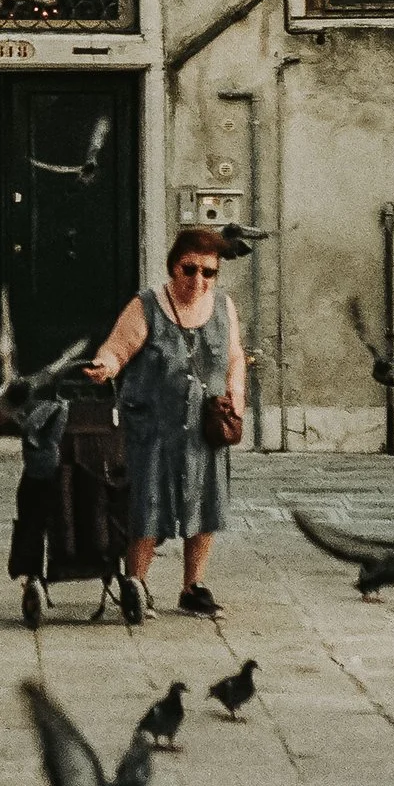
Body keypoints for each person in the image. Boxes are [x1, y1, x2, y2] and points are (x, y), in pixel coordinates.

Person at [82, 226, 247, 618]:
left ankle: (193, 588)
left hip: (204, 428)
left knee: (205, 505)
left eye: (209, 272)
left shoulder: (224, 306)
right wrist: (105, 366)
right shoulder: (147, 306)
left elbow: (236, 357)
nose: (199, 280)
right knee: (147, 507)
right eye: (190, 269)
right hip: (153, 429)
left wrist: (235, 399)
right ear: (174, 266)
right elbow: (117, 348)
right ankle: (135, 586)